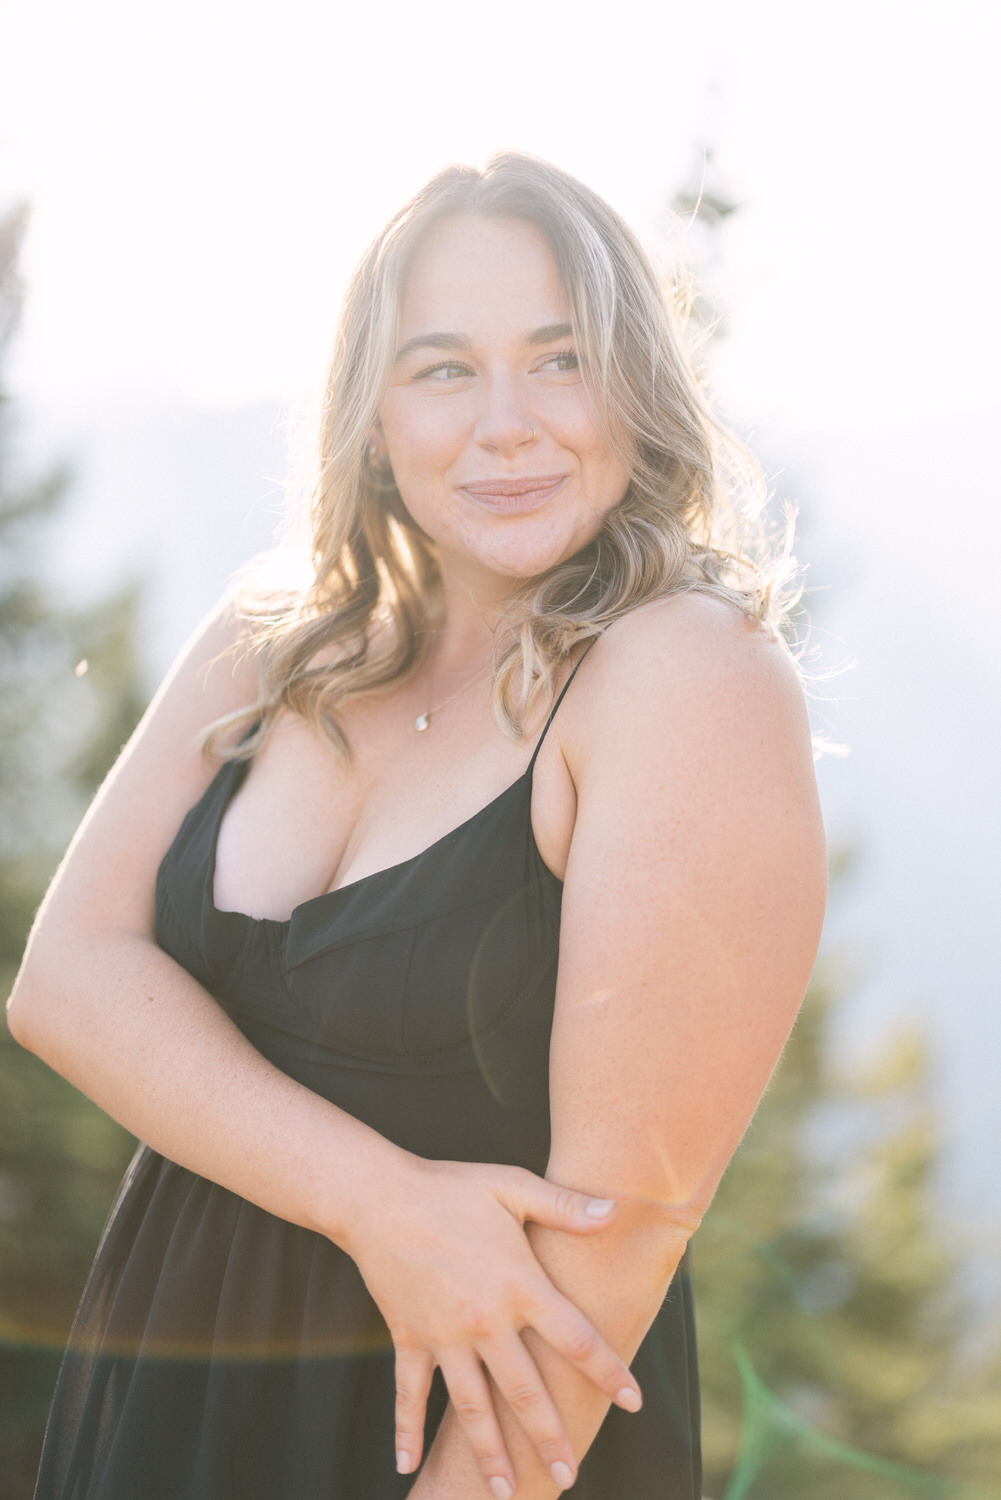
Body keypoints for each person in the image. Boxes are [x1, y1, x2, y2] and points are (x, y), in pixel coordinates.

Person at [8, 152, 827, 1500]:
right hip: (159, 1398)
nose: (506, 423)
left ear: (635, 387)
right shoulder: (281, 635)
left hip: (469, 1452)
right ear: (372, 412)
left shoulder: (682, 674)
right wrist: (377, 1201)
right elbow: (68, 985)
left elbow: (613, 1243)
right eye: (442, 369)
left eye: (559, 360)